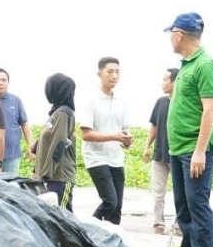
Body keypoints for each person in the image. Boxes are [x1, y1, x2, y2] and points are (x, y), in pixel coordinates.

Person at [165, 12, 213, 247]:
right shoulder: (187, 65)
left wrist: (200, 151)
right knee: (183, 206)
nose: (170, 39)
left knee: (197, 204)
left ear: (179, 35)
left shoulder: (205, 64)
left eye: (171, 34)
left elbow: (210, 110)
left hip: (195, 148)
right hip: (178, 148)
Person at [77, 57, 132, 225]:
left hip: (116, 158)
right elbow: (86, 134)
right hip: (96, 158)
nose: (114, 75)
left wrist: (126, 139)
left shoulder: (121, 101)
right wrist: (114, 137)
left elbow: (124, 129)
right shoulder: (90, 100)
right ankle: (87, 232)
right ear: (99, 73)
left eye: (117, 72)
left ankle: (113, 243)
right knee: (110, 202)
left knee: (117, 208)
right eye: (110, 71)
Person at [143, 68, 181, 235]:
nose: (162, 83)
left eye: (166, 79)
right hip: (159, 155)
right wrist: (147, 146)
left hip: (178, 155)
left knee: (181, 193)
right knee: (158, 192)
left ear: (175, 82)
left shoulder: (183, 102)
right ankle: (158, 224)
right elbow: (154, 126)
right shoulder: (161, 102)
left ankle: (180, 225)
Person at [33, 73, 77, 211]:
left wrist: (46, 175)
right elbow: (47, 141)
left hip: (59, 178)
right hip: (50, 177)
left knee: (64, 220)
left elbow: (58, 144)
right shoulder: (56, 113)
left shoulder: (63, 113)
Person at [0, 68, 35, 176]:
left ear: (8, 82)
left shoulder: (16, 100)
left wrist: (30, 146)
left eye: (4, 80)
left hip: (12, 155)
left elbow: (24, 124)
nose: (1, 83)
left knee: (11, 187)